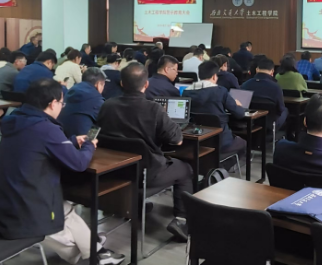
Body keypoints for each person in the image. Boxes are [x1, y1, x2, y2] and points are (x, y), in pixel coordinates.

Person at [0, 78, 124, 265]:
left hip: (5, 197)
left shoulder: (14, 119)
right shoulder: (46, 128)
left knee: (66, 208)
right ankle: (92, 251)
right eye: (62, 103)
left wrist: (69, 142)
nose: (62, 107)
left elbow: (35, 145)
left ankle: (95, 249)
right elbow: (78, 163)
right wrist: (88, 145)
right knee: (63, 227)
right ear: (53, 103)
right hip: (25, 207)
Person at [97, 63, 191, 240]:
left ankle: (136, 203)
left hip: (115, 170)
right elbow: (177, 140)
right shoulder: (154, 109)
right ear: (146, 84)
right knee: (184, 169)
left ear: (122, 83)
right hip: (147, 173)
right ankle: (182, 220)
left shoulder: (107, 105)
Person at [183, 61, 247, 167]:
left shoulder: (186, 92)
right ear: (214, 76)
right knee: (243, 143)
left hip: (199, 139)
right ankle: (221, 169)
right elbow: (240, 114)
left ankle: (214, 167)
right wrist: (237, 105)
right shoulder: (220, 91)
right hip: (221, 140)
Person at [241, 57, 288, 131]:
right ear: (272, 71)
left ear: (257, 69)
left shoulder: (245, 85)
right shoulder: (276, 87)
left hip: (251, 122)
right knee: (285, 110)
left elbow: (241, 106)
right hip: (270, 124)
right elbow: (280, 109)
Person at [58, 68, 105, 137]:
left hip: (60, 136)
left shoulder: (69, 92)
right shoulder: (97, 100)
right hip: (81, 140)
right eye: (103, 85)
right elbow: (104, 123)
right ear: (98, 84)